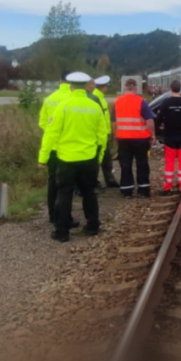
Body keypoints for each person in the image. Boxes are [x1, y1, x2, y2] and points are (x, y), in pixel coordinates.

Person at [38, 72, 107, 243]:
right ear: (86, 86)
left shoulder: (63, 106)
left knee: (64, 193)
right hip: (89, 157)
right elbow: (102, 135)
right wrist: (99, 156)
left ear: (71, 87)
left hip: (66, 159)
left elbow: (50, 133)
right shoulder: (94, 106)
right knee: (89, 192)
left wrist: (43, 157)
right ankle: (93, 225)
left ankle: (62, 231)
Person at [38, 72, 73, 225]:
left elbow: (43, 123)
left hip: (52, 147)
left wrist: (53, 133)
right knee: (66, 185)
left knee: (52, 182)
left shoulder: (49, 98)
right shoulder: (72, 99)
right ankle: (65, 217)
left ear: (60, 81)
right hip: (68, 147)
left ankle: (52, 215)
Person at [114, 78, 156, 198]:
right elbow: (149, 120)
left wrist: (115, 136)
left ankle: (127, 190)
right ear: (136, 88)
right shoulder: (141, 101)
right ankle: (143, 190)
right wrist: (152, 134)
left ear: (125, 88)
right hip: (140, 139)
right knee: (142, 163)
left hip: (123, 139)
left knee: (125, 165)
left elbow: (113, 122)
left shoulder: (118, 101)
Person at [156, 80, 181, 195]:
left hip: (170, 137)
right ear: (180, 89)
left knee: (170, 162)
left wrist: (159, 131)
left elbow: (158, 119)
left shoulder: (166, 103)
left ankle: (168, 187)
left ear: (170, 88)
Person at [91, 75, 120, 189]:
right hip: (101, 134)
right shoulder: (96, 98)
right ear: (104, 87)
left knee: (106, 159)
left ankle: (108, 180)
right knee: (102, 158)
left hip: (104, 132)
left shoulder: (100, 97)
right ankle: (101, 181)